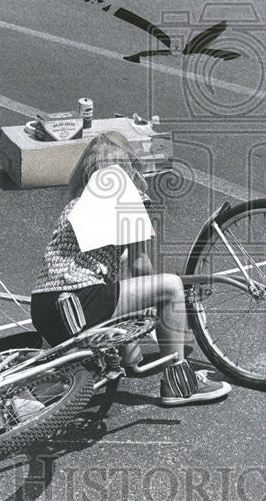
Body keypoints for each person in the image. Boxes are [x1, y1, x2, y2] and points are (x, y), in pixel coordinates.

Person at [30, 134, 231, 407]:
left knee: (124, 339)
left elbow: (107, 279)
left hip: (44, 308)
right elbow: (139, 266)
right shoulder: (125, 198)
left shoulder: (73, 207)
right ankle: (179, 385)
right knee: (170, 287)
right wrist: (167, 307)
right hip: (82, 301)